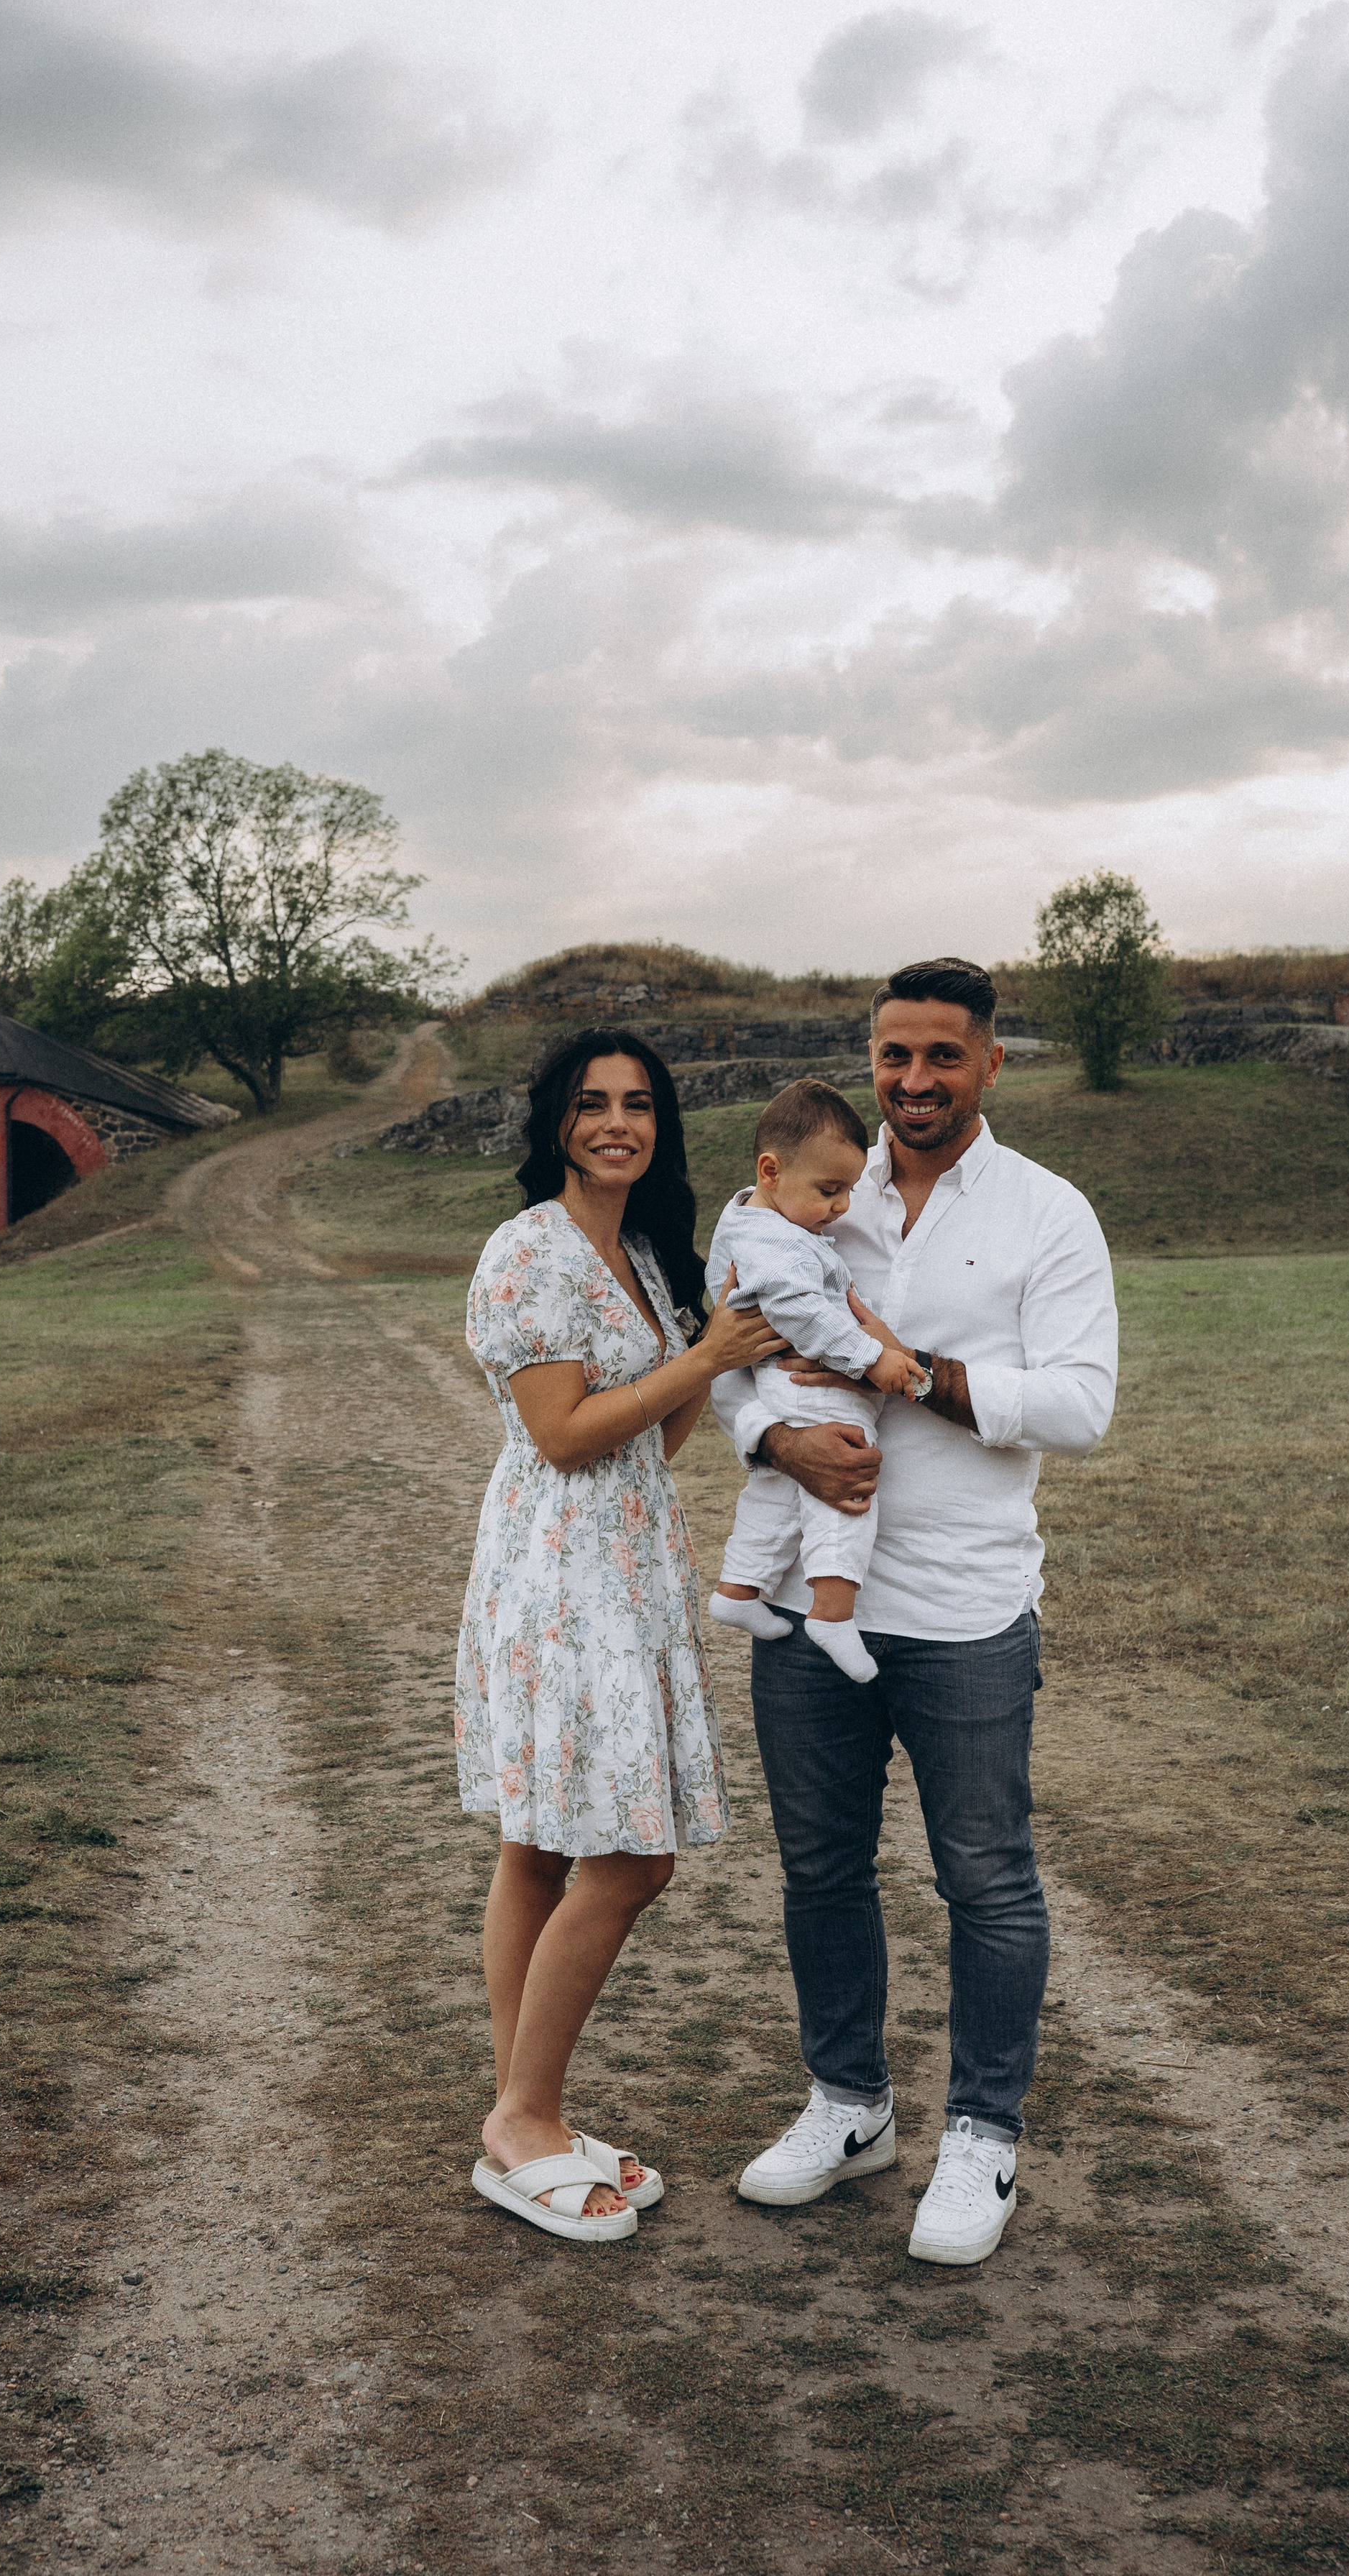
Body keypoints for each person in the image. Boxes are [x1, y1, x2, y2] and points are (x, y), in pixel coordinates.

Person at [712, 958, 1117, 2265]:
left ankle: (983, 2139)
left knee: (986, 1881)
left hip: (964, 1605)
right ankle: (850, 2105)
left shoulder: (1049, 1213)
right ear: (870, 1060)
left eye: (944, 1056)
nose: (916, 1082)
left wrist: (917, 1376)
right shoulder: (804, 1194)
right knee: (823, 1871)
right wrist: (779, 1447)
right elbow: (734, 1366)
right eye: (896, 1056)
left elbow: (1079, 1404)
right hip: (807, 1603)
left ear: (991, 1063)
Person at [456, 1027, 783, 2243]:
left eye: (638, 1105)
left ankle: (521, 2116)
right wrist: (703, 1352)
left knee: (542, 1845)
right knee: (627, 1857)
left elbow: (656, 1438)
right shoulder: (528, 1250)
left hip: (630, 1562)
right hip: (558, 1578)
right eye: (592, 1103)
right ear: (556, 1121)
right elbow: (563, 1433)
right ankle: (525, 2117)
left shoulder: (645, 1248)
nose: (618, 1124)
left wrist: (713, 1342)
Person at [704, 1079, 926, 1683]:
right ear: (771, 1171)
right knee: (846, 1485)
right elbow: (803, 1313)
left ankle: (739, 1588)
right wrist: (873, 1358)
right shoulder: (771, 1244)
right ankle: (832, 1612)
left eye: (849, 1190)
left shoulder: (761, 1227)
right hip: (814, 1385)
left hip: (780, 1386)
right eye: (830, 1191)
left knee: (779, 1491)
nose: (842, 1207)